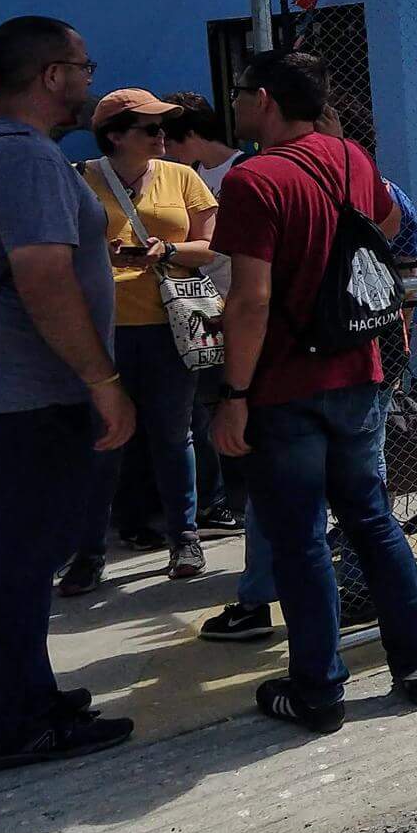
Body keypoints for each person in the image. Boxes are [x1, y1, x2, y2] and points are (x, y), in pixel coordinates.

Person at [0, 17, 135, 768]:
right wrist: (103, 382)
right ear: (50, 75)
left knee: (12, 562)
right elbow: (42, 276)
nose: (88, 78)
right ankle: (15, 725)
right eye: (82, 65)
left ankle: (17, 697)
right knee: (18, 565)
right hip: (17, 403)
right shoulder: (24, 160)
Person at [207, 50, 417, 732]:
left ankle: (317, 688)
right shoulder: (349, 159)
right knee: (370, 519)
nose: (238, 102)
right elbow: (389, 227)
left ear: (268, 101)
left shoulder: (255, 180)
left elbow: (249, 300)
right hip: (357, 369)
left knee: (301, 538)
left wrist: (234, 393)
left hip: (284, 385)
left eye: (243, 92)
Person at [60, 92, 219, 592]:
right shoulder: (78, 178)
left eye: (163, 128)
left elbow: (211, 247)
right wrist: (95, 253)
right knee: (104, 441)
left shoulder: (183, 177)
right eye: (149, 128)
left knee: (174, 436)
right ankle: (88, 553)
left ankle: (185, 538)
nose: (161, 136)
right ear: (115, 135)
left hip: (171, 327)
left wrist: (166, 247)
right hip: (101, 330)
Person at [162, 93, 244, 538]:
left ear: (190, 135)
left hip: (233, 303)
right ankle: (218, 500)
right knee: (200, 407)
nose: (165, 150)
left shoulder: (241, 172)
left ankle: (238, 498)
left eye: (170, 140)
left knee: (228, 400)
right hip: (194, 307)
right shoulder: (188, 175)